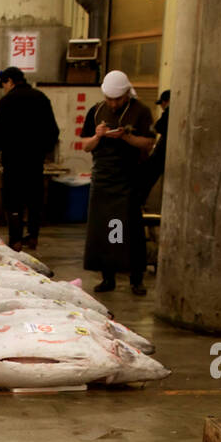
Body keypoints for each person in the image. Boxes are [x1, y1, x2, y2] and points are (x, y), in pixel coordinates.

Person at [82, 69, 154, 296]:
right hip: (103, 180)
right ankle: (107, 277)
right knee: (105, 230)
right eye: (109, 99)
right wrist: (98, 136)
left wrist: (125, 136)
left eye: (118, 99)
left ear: (126, 95)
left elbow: (148, 144)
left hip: (128, 180)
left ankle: (136, 278)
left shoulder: (140, 111)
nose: (113, 104)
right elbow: (85, 145)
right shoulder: (96, 111)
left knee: (128, 230)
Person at [0, 66, 60, 252]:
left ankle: (15, 239)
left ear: (10, 81)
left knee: (13, 200)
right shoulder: (41, 98)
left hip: (13, 160)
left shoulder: (7, 101)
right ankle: (33, 237)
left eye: (4, 84)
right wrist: (42, 151)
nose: (4, 88)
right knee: (34, 199)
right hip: (35, 160)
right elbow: (53, 131)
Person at [141, 89, 170, 203]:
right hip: (165, 152)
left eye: (162, 104)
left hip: (162, 153)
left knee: (147, 176)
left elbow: (157, 127)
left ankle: (139, 202)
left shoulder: (169, 111)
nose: (161, 107)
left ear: (166, 101)